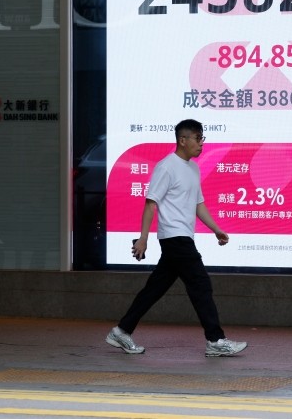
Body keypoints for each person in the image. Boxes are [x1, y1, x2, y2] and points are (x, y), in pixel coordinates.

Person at [106, 119, 247, 357]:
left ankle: (121, 331)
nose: (201, 143)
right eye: (197, 138)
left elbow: (198, 204)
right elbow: (151, 203)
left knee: (155, 288)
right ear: (183, 140)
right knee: (200, 284)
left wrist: (216, 229)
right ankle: (215, 340)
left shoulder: (193, 168)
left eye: (202, 138)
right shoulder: (166, 167)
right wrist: (143, 238)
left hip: (182, 237)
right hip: (174, 237)